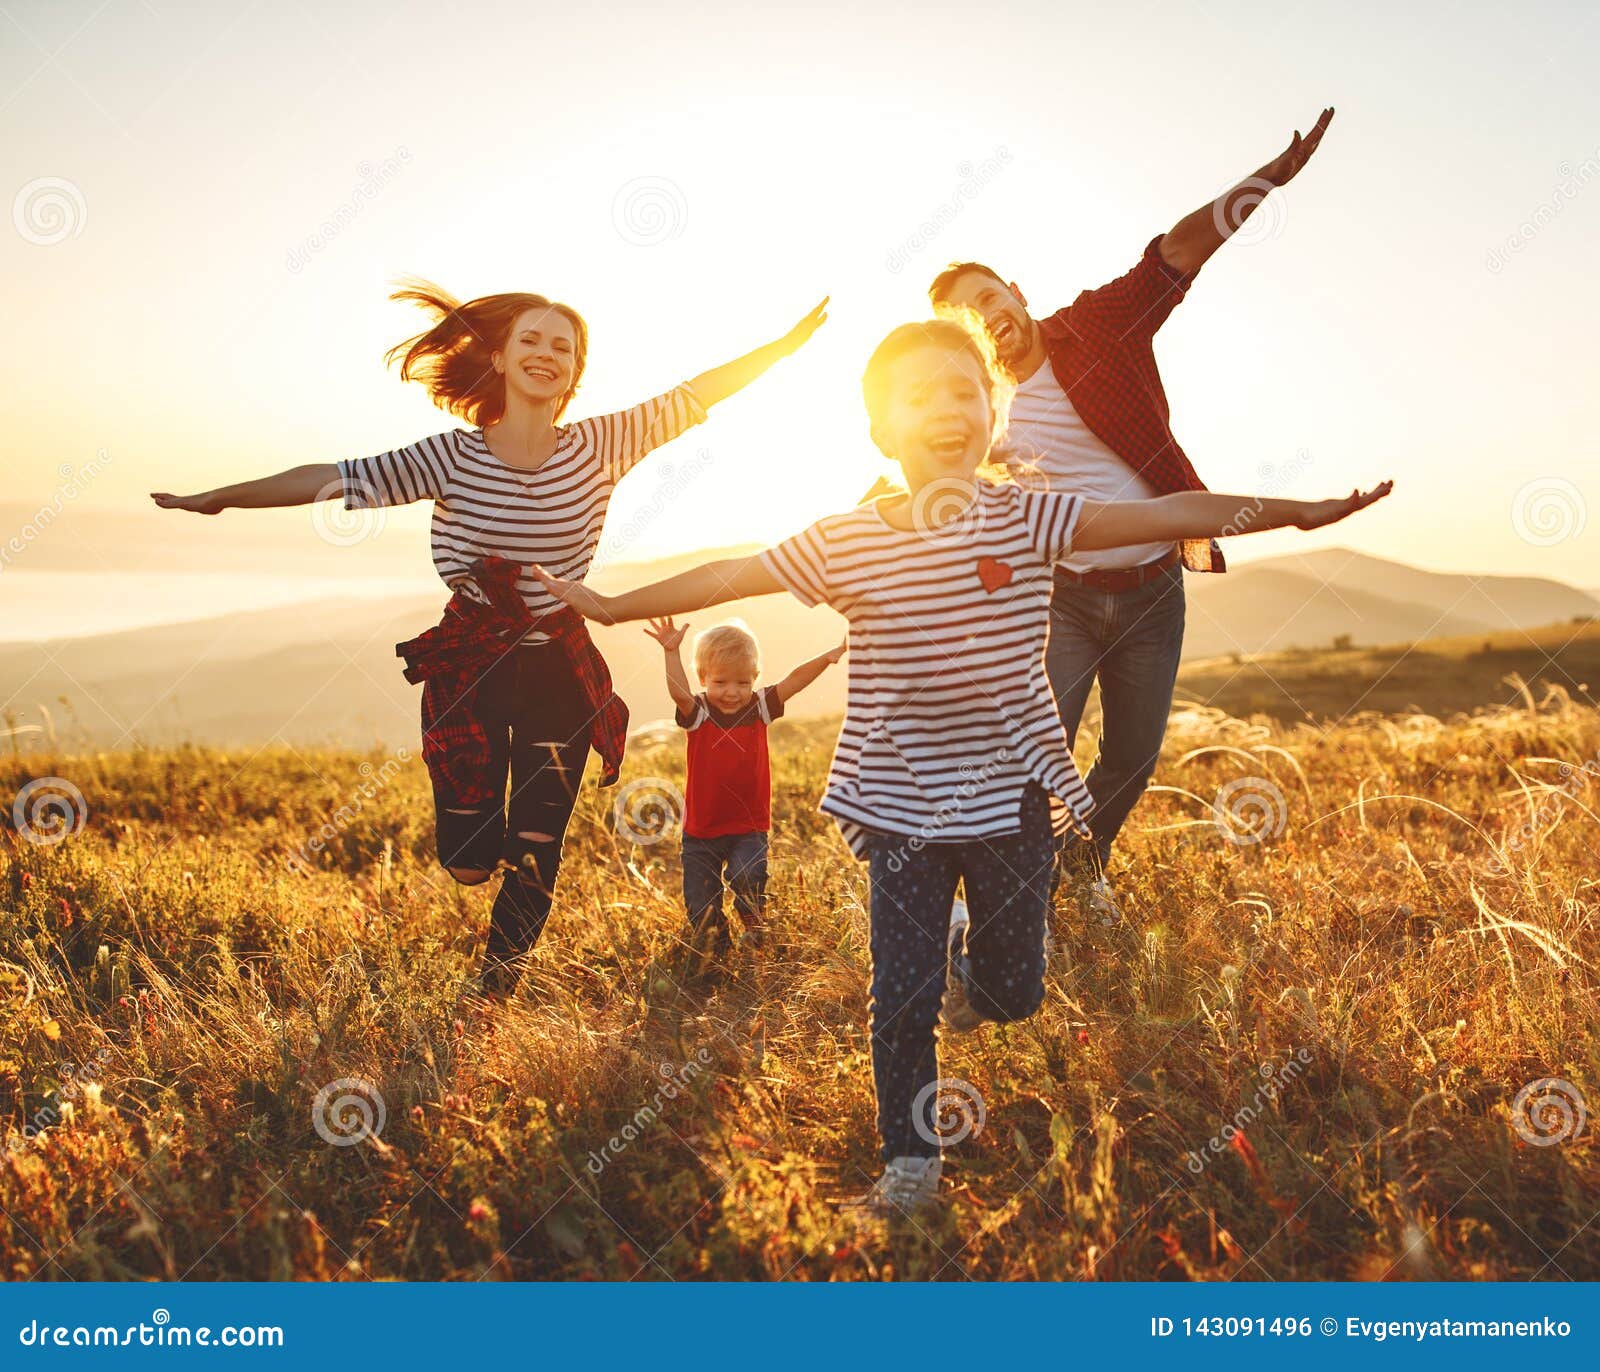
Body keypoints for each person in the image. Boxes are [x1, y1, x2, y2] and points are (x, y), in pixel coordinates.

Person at [530, 312, 1391, 1216]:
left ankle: (970, 970)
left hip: (1014, 796)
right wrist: (612, 603)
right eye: (919, 395)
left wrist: (1298, 512)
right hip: (900, 803)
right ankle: (909, 1165)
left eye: (964, 389)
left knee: (1013, 995)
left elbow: (1167, 513)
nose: (946, 407)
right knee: (899, 998)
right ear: (880, 429)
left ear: (993, 411)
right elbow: (729, 575)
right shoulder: (848, 539)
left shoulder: (1028, 515)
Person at [152, 281, 828, 996]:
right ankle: (478, 848)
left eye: (563, 347)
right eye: (530, 341)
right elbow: (332, 477)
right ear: (501, 358)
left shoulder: (603, 443)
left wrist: (782, 349)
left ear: (574, 372)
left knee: (539, 844)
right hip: (471, 666)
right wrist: (221, 496)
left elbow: (695, 396)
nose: (547, 354)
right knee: (471, 862)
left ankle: (494, 990)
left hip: (559, 671)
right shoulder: (452, 456)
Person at [930, 109, 1336, 919]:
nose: (985, 319)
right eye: (964, 324)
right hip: (1062, 600)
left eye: (986, 298)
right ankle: (1014, 894)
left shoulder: (1098, 324)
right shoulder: (979, 408)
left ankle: (1081, 869)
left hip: (1152, 594)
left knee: (1132, 757)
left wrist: (1264, 181)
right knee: (1032, 756)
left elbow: (1176, 254)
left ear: (1013, 289)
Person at [643, 616, 844, 971]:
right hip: (700, 832)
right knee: (701, 904)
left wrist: (830, 655)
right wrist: (670, 652)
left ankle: (754, 926)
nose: (732, 691)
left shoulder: (758, 708)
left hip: (748, 827)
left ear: (754, 680)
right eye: (720, 682)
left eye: (743, 682)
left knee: (749, 876)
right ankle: (715, 947)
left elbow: (794, 680)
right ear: (703, 680)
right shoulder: (699, 713)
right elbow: (677, 690)